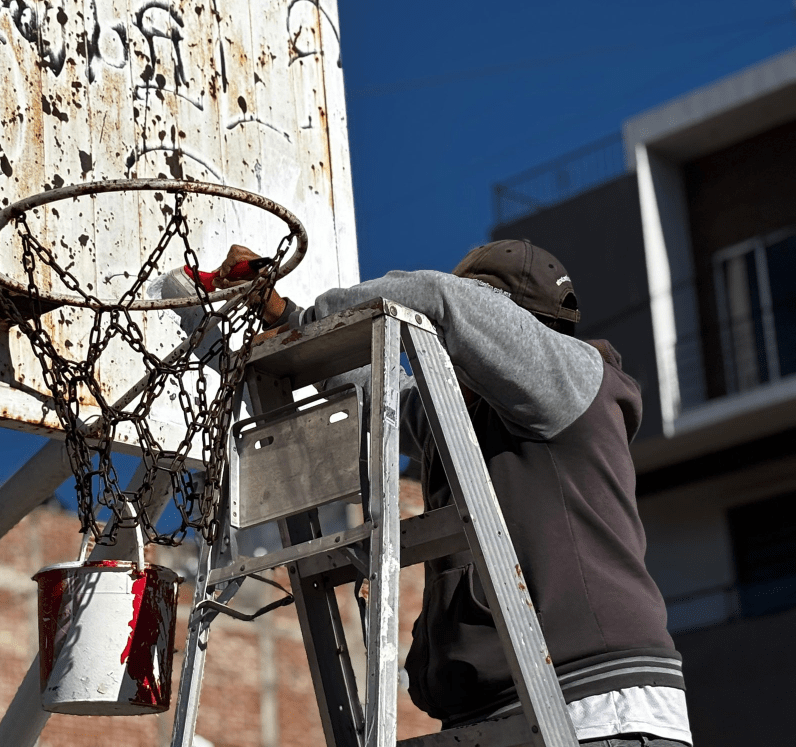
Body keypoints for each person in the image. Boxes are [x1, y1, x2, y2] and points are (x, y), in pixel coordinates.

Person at [215, 240, 692, 746]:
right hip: (502, 712)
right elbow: (383, 393)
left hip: (596, 710)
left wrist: (315, 317)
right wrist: (284, 317)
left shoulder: (572, 380)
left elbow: (439, 300)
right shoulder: (462, 417)